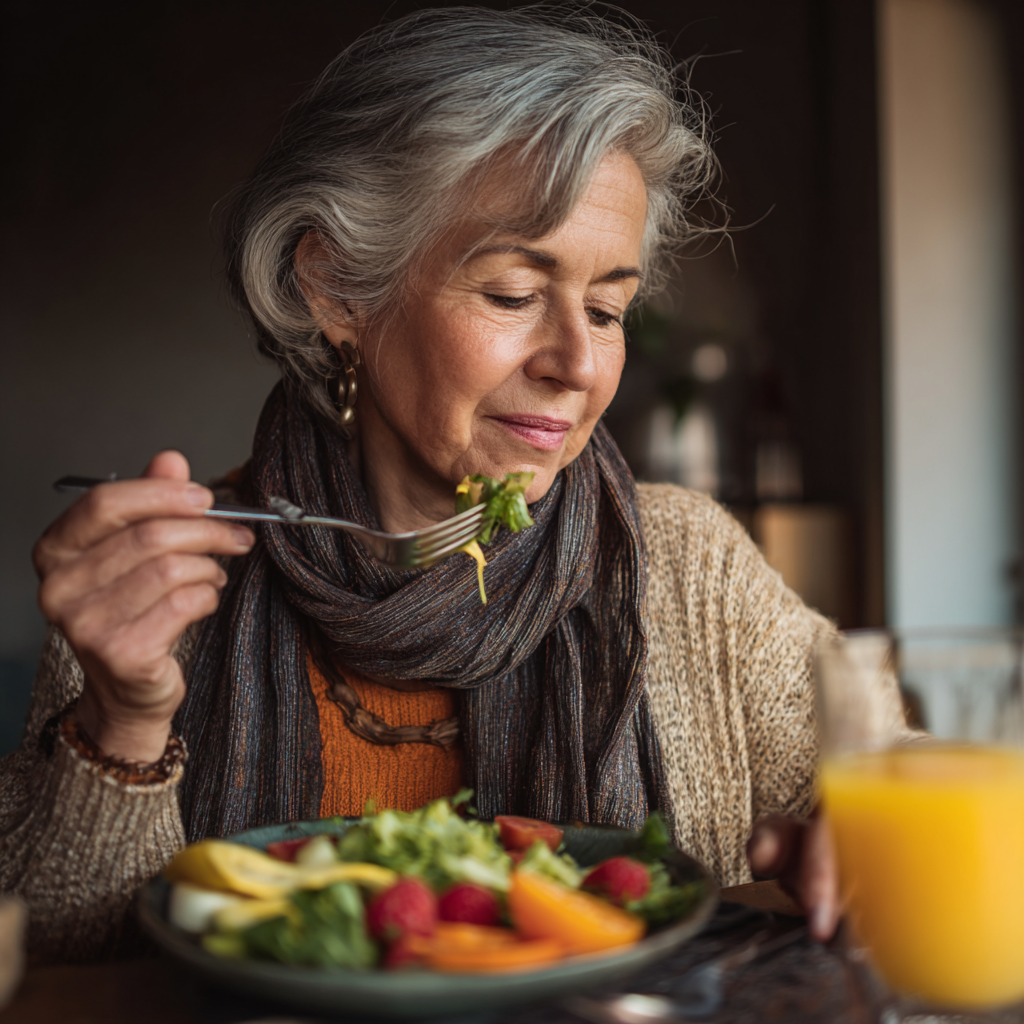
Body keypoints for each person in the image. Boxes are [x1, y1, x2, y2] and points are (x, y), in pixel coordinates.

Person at [1, 6, 839, 962]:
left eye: (607, 308)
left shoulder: (693, 567)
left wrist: (855, 840)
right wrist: (124, 723)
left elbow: (888, 782)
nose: (578, 362)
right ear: (338, 288)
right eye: (514, 295)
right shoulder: (165, 599)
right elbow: (60, 955)